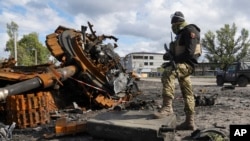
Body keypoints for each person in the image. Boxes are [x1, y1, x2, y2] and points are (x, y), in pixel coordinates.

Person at [154, 11, 201, 130]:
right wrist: (169, 55)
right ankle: (189, 122)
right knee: (188, 93)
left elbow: (189, 53)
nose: (173, 28)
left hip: (187, 65)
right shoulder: (181, 34)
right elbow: (179, 51)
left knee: (168, 73)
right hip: (181, 65)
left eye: (174, 25)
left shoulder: (190, 30)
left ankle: (167, 108)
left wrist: (174, 59)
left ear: (177, 23)